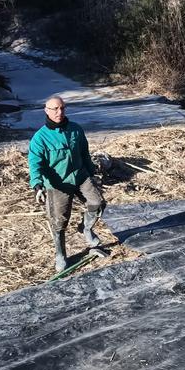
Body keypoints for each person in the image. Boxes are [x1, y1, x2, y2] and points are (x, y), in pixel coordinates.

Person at [28, 96, 105, 271]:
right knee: (59, 222)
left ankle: (85, 229)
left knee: (97, 203)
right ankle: (60, 255)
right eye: (54, 109)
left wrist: (92, 173)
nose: (59, 112)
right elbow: (35, 164)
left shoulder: (76, 130)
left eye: (62, 108)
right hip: (58, 184)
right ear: (46, 110)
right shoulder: (40, 138)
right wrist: (37, 185)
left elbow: (85, 153)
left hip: (80, 177)